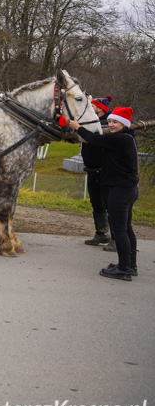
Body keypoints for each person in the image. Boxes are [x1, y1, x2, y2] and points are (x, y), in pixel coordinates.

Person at [69, 106, 139, 281]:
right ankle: (130, 265)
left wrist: (77, 127)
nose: (111, 124)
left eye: (115, 122)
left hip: (120, 190)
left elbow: (93, 139)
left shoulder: (120, 139)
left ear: (124, 123)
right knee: (127, 228)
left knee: (120, 230)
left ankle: (124, 269)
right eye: (110, 121)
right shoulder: (126, 138)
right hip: (128, 188)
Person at [83, 95, 112, 247]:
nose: (89, 108)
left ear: (100, 108)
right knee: (96, 203)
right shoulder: (91, 121)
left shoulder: (109, 123)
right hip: (92, 169)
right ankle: (101, 233)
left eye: (92, 106)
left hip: (105, 171)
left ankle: (115, 237)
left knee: (109, 203)